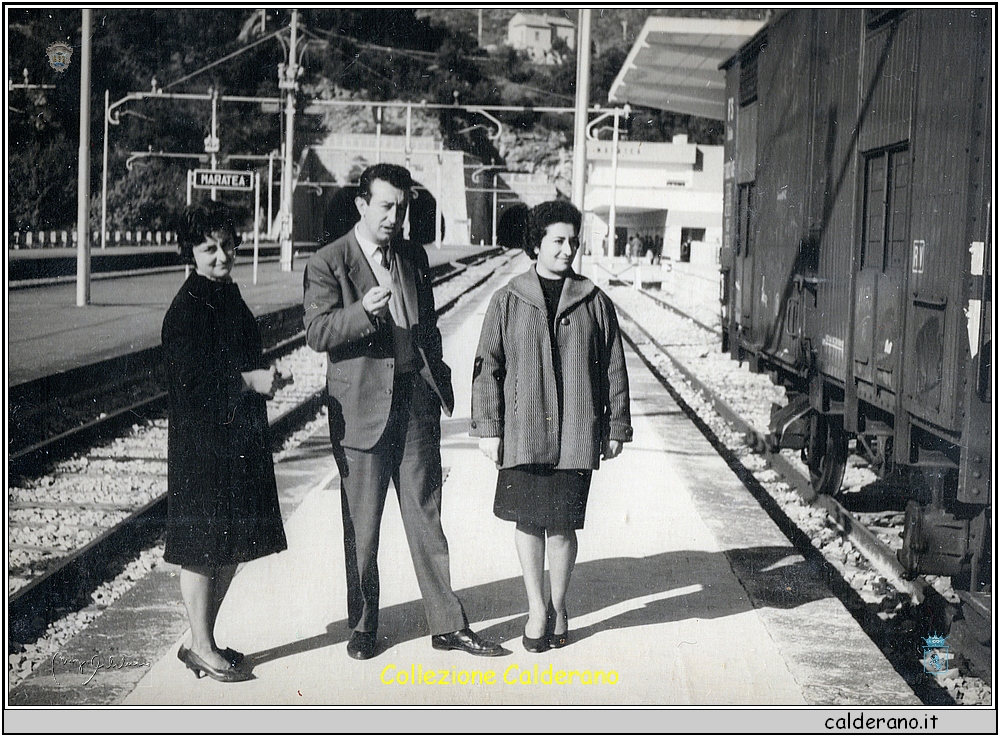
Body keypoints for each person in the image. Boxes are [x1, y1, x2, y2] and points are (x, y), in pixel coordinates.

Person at [302, 163, 503, 661]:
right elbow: (316, 333)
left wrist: (439, 383)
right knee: (363, 527)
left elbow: (428, 323)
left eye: (403, 206)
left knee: (426, 517)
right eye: (386, 206)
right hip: (362, 408)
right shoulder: (329, 262)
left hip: (414, 404)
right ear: (362, 205)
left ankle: (447, 623)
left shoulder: (412, 256)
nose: (395, 216)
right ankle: (364, 627)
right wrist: (361, 312)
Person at [471, 200, 632, 652]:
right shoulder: (508, 298)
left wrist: (615, 426)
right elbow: (488, 365)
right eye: (558, 241)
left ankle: (559, 604)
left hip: (576, 434)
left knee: (562, 525)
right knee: (527, 521)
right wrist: (489, 426)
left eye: (573, 241)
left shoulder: (595, 301)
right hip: (524, 430)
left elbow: (613, 369)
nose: (568, 250)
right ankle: (536, 607)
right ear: (536, 244)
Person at [161, 202, 291, 683]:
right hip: (201, 446)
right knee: (201, 548)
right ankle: (201, 644)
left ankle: (202, 641)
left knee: (233, 544)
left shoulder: (226, 293)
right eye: (208, 248)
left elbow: (235, 356)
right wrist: (249, 381)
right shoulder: (186, 307)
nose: (222, 255)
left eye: (227, 245)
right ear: (189, 254)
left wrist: (265, 377)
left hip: (234, 440)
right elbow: (190, 381)